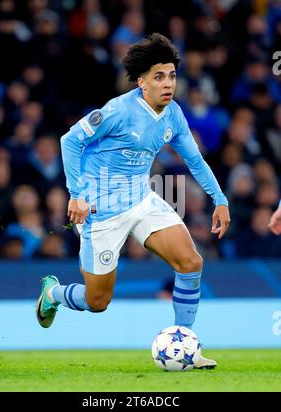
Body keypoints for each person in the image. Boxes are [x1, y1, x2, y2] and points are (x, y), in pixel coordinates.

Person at [36, 33, 230, 369]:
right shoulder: (118, 111)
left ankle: (185, 346)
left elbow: (195, 161)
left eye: (171, 75)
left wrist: (220, 199)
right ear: (141, 82)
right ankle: (52, 294)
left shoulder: (173, 115)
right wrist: (77, 195)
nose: (168, 83)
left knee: (190, 262)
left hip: (142, 201)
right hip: (101, 211)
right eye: (158, 77)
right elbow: (70, 141)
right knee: (97, 301)